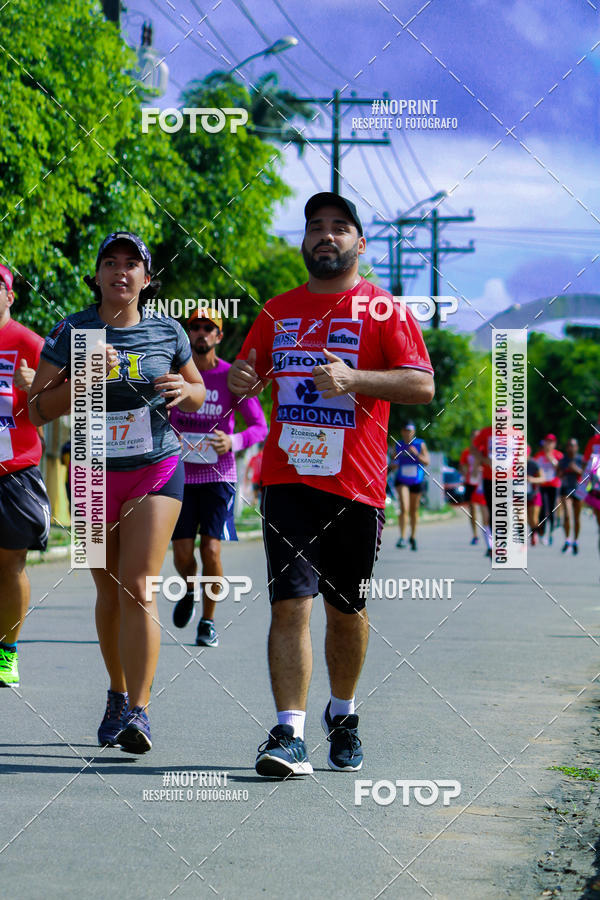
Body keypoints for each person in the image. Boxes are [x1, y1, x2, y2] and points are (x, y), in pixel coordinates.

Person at [228, 192, 434, 777]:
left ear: (360, 244)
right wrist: (243, 377)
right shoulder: (276, 311)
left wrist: (356, 377)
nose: (326, 235)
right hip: (287, 480)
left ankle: (341, 714)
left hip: (356, 486)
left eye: (340, 227)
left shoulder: (384, 310)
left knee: (346, 609)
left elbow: (421, 386)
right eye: (315, 226)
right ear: (304, 242)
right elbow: (246, 380)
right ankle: (288, 732)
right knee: (289, 603)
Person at [29, 232, 206, 753]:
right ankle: (117, 691)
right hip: (88, 470)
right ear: (98, 274)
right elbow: (35, 408)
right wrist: (81, 377)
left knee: (138, 585)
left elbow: (195, 391)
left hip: (154, 466)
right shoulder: (71, 330)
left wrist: (186, 390)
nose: (120, 272)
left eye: (132, 265)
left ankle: (139, 711)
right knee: (109, 591)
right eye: (111, 263)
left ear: (147, 279)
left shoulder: (167, 330)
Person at [169, 310, 267, 647]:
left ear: (218, 336)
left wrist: (234, 441)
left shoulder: (229, 377)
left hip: (218, 476)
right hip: (179, 476)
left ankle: (208, 622)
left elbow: (259, 426)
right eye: (194, 327)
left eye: (208, 328)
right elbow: (158, 415)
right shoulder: (177, 375)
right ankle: (190, 589)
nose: (200, 333)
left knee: (211, 549)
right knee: (182, 554)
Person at [0, 264, 51, 687]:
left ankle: (8, 652)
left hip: (14, 471)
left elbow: (66, 398)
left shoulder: (29, 343)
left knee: (11, 563)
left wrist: (35, 388)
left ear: (10, 295)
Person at [392, 422, 429, 551]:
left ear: (413, 432)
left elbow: (427, 462)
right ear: (402, 432)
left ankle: (412, 537)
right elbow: (393, 461)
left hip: (416, 480)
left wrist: (416, 454)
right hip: (402, 479)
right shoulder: (398, 444)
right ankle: (402, 537)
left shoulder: (420, 444)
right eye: (404, 430)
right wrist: (395, 462)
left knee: (413, 510)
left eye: (409, 430)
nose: (407, 433)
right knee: (404, 507)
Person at [534, 435, 563, 544]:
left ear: (554, 444)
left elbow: (560, 469)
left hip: (554, 485)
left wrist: (551, 458)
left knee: (552, 509)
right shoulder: (539, 455)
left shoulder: (558, 455)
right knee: (543, 509)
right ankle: (542, 532)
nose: (548, 444)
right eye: (547, 442)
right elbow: (534, 469)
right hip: (542, 485)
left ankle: (551, 532)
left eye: (551, 442)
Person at [558, 438, 583, 554]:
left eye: (573, 446)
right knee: (567, 515)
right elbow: (558, 474)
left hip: (579, 490)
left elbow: (587, 474)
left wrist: (576, 469)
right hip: (566, 490)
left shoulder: (581, 459)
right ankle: (567, 540)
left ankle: (576, 541)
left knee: (577, 518)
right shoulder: (563, 460)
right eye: (569, 446)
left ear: (577, 447)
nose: (571, 448)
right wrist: (563, 471)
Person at [459, 430, 481, 544]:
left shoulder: (484, 451)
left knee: (486, 509)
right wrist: (465, 471)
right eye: (474, 437)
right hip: (470, 483)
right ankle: (475, 534)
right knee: (472, 509)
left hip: (482, 482)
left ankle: (490, 531)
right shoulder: (466, 452)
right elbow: (462, 466)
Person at [526, 445, 544, 545]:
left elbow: (543, 478)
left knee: (533, 518)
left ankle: (534, 534)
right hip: (520, 495)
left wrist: (532, 480)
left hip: (534, 494)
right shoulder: (513, 464)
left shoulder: (534, 464)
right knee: (524, 518)